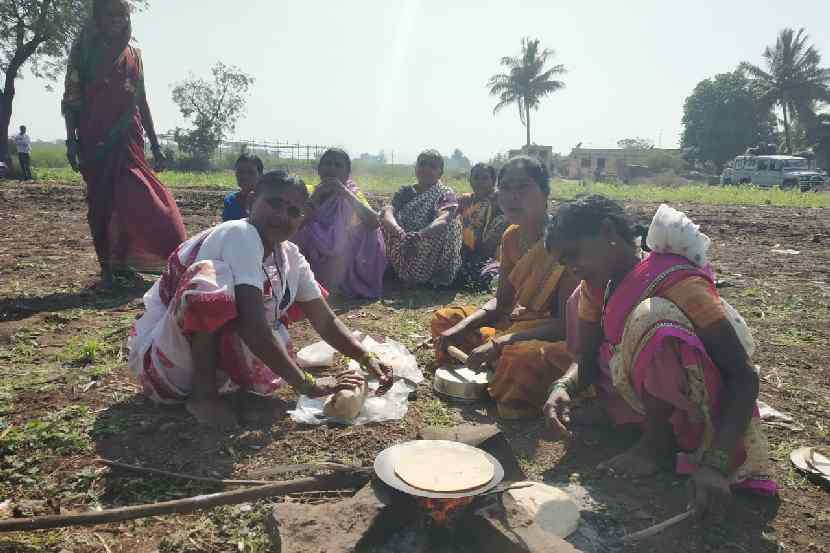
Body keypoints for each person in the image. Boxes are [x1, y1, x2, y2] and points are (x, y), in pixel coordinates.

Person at [543, 196, 775, 520]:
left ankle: (657, 444)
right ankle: (634, 424)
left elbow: (743, 375)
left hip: (696, 411)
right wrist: (563, 385)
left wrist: (716, 464)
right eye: (564, 263)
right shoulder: (595, 285)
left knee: (652, 320)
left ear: (607, 231)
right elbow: (587, 355)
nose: (573, 269)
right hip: (634, 398)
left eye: (574, 255)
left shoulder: (676, 279)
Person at [127, 170, 393, 428]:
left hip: (212, 374)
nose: (281, 216)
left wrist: (366, 357)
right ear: (252, 201)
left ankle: (222, 388)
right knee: (210, 281)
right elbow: (252, 327)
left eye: (293, 211)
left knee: (271, 329)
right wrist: (308, 385)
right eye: (274, 203)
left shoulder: (290, 257)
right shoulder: (239, 233)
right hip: (163, 368)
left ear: (302, 218)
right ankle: (203, 396)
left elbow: (325, 320)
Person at [431, 156, 577, 419]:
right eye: (506, 188)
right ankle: (494, 370)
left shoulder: (565, 243)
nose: (512, 197)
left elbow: (565, 325)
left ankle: (504, 375)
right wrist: (463, 326)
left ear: (545, 192)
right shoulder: (511, 237)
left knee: (517, 358)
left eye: (522, 188)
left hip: (552, 340)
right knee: (446, 322)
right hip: (513, 327)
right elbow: (501, 302)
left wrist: (499, 344)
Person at [61, 0, 186, 283]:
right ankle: (109, 266)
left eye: (122, 14)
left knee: (142, 197)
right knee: (102, 203)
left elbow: (141, 101)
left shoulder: (134, 55)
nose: (117, 19)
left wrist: (155, 144)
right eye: (110, 14)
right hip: (95, 140)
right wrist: (71, 141)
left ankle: (154, 257)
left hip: (130, 140)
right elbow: (72, 97)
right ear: (98, 18)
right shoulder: (84, 50)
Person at [293, 148, 386, 299]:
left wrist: (345, 193)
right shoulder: (309, 191)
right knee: (305, 230)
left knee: (367, 231)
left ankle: (348, 282)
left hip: (344, 256)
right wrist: (315, 198)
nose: (332, 169)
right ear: (319, 169)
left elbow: (374, 222)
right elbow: (295, 222)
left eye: (338, 165)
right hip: (315, 254)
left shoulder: (353, 192)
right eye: (328, 164)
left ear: (347, 173)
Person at [380, 150, 462, 287]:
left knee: (451, 225)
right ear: (416, 168)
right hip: (404, 237)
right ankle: (396, 270)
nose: (426, 169)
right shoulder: (405, 192)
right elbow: (388, 211)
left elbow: (443, 220)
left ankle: (433, 275)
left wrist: (419, 236)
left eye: (432, 166)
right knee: (382, 218)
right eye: (422, 164)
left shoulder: (445, 194)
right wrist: (400, 232)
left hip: (428, 241)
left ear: (440, 173)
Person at [454, 163, 507, 291]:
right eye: (476, 177)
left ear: (493, 181)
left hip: (490, 253)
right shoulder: (465, 200)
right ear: (470, 180)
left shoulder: (500, 200)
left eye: (485, 178)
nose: (479, 182)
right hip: (465, 251)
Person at [222, 153, 263, 221]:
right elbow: (227, 227)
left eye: (250, 172)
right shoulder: (230, 201)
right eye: (240, 172)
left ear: (260, 175)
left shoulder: (267, 200)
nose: (244, 176)